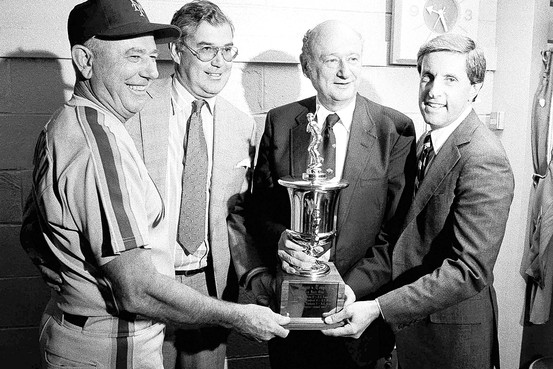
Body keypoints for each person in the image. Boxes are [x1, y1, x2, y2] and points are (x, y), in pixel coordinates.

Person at [21, 0, 289, 368]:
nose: (219, 62)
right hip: (133, 302)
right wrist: (69, 279)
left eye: (227, 50)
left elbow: (236, 214)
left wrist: (252, 275)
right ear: (178, 52)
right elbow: (39, 222)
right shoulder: (123, 109)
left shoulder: (241, 124)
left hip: (204, 287)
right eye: (207, 49)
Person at [323, 34, 515, 369]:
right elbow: (403, 238)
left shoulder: (483, 158)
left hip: (451, 341)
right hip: (409, 334)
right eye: (427, 76)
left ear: (475, 87)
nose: (433, 90)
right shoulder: (426, 141)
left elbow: (468, 272)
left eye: (450, 79)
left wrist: (379, 307)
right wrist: (350, 289)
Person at [250, 20, 416, 369]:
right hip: (290, 324)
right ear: (307, 65)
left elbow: (397, 232)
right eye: (331, 60)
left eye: (353, 59)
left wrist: (348, 291)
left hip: (360, 321)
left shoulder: (394, 129)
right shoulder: (280, 122)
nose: (344, 72)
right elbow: (260, 209)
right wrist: (281, 239)